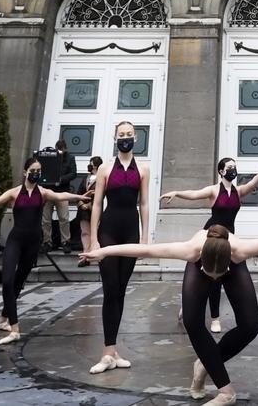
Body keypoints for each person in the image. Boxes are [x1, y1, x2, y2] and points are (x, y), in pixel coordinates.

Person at [81, 226, 258, 406]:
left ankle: (204, 364)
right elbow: (146, 250)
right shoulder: (190, 250)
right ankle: (226, 391)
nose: (214, 280)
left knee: (250, 325)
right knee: (192, 321)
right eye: (210, 274)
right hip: (201, 259)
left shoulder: (241, 250)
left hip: (232, 263)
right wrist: (104, 251)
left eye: (219, 275)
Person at [0, 156, 87, 345]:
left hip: (33, 242)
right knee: (7, 281)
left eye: (39, 171)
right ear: (25, 172)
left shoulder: (43, 193)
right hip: (16, 240)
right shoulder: (14, 193)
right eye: (33, 170)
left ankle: (3, 319)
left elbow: (62, 196)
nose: (36, 174)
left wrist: (80, 197)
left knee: (19, 283)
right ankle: (15, 328)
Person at [161, 158, 258, 333]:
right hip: (210, 235)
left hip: (229, 236)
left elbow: (252, 184)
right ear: (221, 171)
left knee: (219, 276)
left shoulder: (238, 191)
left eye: (234, 167)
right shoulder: (213, 190)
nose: (233, 170)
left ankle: (199, 310)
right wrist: (176, 192)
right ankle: (208, 315)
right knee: (208, 276)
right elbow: (194, 194)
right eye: (229, 167)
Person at [86, 122, 150, 374]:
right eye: (121, 135)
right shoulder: (105, 168)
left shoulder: (143, 169)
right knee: (110, 288)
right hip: (109, 231)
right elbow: (96, 204)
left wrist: (145, 239)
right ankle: (106, 352)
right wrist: (93, 239)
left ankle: (112, 352)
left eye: (129, 135)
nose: (125, 138)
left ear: (135, 137)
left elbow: (144, 203)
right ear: (115, 138)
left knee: (121, 290)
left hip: (131, 231)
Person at [43, 139, 78, 253]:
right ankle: (47, 241)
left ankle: (65, 242)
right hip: (48, 191)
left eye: (62, 150)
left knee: (64, 218)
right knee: (46, 218)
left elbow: (73, 174)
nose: (60, 153)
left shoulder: (70, 158)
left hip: (62, 192)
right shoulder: (51, 157)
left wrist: (60, 180)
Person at [75, 155, 104, 253]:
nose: (89, 166)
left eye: (91, 164)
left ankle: (94, 253)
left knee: (95, 232)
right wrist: (81, 204)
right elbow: (79, 193)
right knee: (85, 232)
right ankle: (85, 253)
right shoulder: (85, 178)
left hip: (95, 209)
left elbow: (102, 194)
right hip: (83, 211)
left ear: (96, 166)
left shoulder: (102, 178)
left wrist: (90, 205)